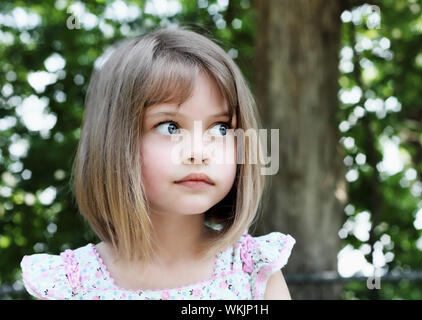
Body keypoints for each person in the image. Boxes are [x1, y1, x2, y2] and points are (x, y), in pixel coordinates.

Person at [20, 27, 296, 300]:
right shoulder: (68, 284)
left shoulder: (256, 271)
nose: (199, 152)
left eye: (221, 128)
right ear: (115, 142)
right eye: (171, 127)